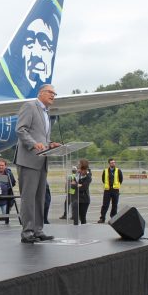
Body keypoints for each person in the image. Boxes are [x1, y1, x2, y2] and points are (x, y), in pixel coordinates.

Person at [14, 84, 60, 243]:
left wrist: (50, 144)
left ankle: (38, 230)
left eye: (55, 93)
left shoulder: (46, 112)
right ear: (41, 93)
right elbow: (21, 130)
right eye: (50, 92)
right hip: (29, 160)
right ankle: (27, 232)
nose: (53, 95)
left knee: (40, 198)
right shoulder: (29, 106)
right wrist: (33, 144)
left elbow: (41, 137)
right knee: (28, 198)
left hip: (42, 160)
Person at [99, 158, 123, 223]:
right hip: (107, 190)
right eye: (112, 162)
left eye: (114, 162)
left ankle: (113, 218)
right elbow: (103, 179)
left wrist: (116, 186)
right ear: (109, 163)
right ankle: (102, 218)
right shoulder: (105, 171)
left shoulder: (118, 171)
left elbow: (121, 179)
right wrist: (108, 185)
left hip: (115, 190)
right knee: (105, 205)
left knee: (114, 205)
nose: (113, 163)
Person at [70, 159, 92, 225]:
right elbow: (72, 185)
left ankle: (83, 231)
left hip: (84, 200)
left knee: (82, 217)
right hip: (75, 198)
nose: (78, 165)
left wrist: (76, 185)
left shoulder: (88, 176)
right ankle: (75, 232)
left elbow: (83, 187)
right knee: (75, 217)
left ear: (83, 165)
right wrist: (71, 195)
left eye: (79, 164)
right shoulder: (77, 174)